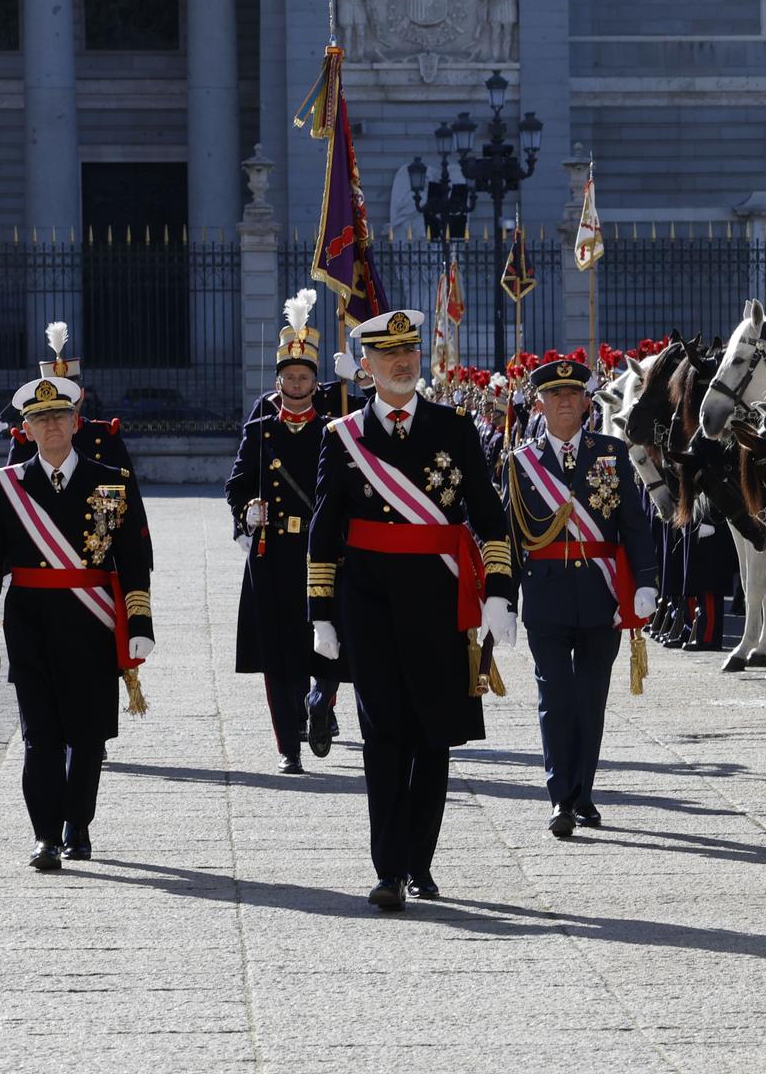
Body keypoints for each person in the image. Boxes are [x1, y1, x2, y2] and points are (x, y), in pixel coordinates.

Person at [307, 309, 515, 911]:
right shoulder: (341, 436)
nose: (403, 363)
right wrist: (321, 612)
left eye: (410, 353)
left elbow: (487, 511)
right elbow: (326, 528)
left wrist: (499, 590)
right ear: (366, 366)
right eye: (389, 356)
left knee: (433, 735)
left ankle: (420, 858)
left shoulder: (454, 428)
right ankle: (389, 868)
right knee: (383, 732)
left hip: (438, 597)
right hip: (368, 602)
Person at [0, 369, 154, 870]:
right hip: (30, 623)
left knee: (88, 733)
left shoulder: (111, 483)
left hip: (92, 623)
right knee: (41, 736)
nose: (51, 426)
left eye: (59, 416)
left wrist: (139, 625)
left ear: (76, 423)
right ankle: (45, 835)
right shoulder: (6, 486)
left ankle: (79, 825)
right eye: (39, 419)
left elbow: (133, 560)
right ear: (25, 430)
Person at [500, 357, 658, 839]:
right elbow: (507, 534)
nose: (565, 402)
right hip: (545, 594)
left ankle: (582, 792)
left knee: (590, 700)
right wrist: (502, 598)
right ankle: (559, 797)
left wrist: (646, 582)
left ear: (587, 402)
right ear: (540, 404)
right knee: (555, 697)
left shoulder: (611, 452)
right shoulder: (520, 463)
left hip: (600, 593)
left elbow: (634, 522)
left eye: (573, 394)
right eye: (555, 395)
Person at [225, 290, 343, 774]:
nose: (296, 384)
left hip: (321, 552)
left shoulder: (335, 430)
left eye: (305, 377)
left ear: (315, 384)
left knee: (330, 639)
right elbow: (235, 486)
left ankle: (320, 703)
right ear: (278, 382)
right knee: (278, 652)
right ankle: (287, 746)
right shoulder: (260, 431)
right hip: (273, 553)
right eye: (289, 377)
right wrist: (245, 514)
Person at [7, 323, 136, 474]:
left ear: (81, 394)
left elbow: (124, 491)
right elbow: (12, 490)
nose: (63, 403)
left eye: (69, 393)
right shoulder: (25, 440)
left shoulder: (105, 435)